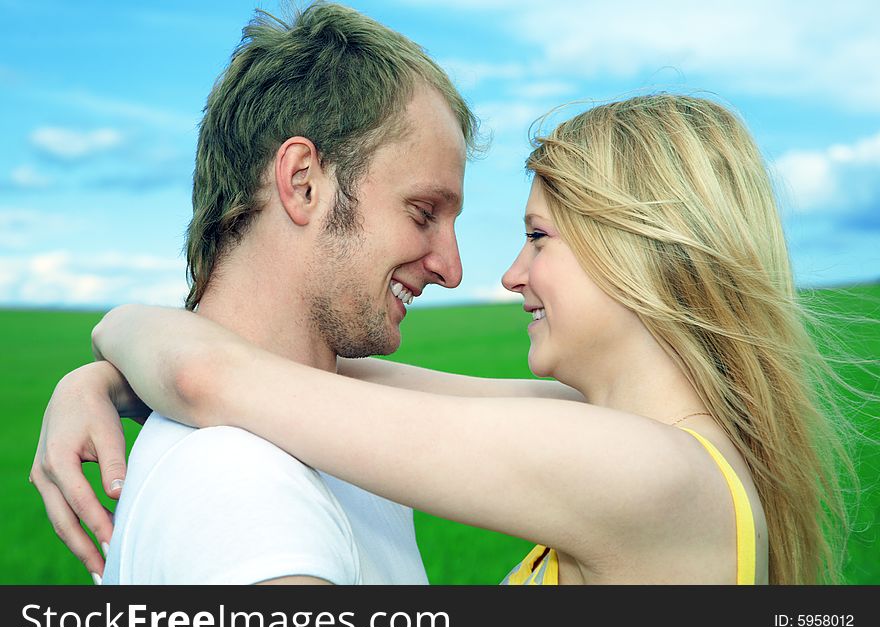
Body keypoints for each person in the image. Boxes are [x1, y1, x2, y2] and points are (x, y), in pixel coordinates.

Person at [36, 93, 855, 584]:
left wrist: (112, 327)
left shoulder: (653, 474)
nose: (507, 274)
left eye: (538, 237)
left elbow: (217, 378)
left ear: (637, 250)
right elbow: (315, 377)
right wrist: (102, 382)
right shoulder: (623, 435)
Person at [28, 1, 518, 585]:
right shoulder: (240, 486)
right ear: (302, 182)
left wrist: (111, 367)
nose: (452, 268)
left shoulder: (333, 433)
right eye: (423, 212)